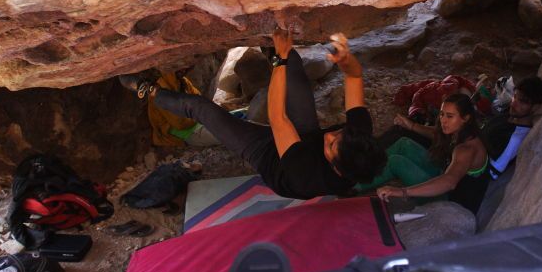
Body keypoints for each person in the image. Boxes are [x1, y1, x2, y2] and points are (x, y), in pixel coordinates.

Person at [119, 29, 386, 199]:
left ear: (337, 170)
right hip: (305, 139)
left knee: (202, 109)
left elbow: (277, 115)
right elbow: (355, 77)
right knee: (295, 73)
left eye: (332, 145)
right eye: (337, 134)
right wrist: (347, 62)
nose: (331, 135)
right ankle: (271, 44)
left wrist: (280, 60)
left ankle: (148, 91)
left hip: (270, 158)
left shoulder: (304, 174)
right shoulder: (357, 140)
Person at [372, 94, 490, 214]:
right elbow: (437, 133)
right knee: (404, 144)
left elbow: (449, 182)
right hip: (442, 176)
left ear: (466, 118)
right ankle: (361, 170)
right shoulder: (461, 130)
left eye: (449, 116)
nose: (443, 120)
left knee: (396, 162)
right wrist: (411, 126)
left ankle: (355, 186)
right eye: (442, 114)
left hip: (450, 204)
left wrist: (402, 192)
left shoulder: (467, 149)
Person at [481, 76, 542, 179]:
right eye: (515, 96)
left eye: (522, 101)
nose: (513, 103)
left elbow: (493, 172)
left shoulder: (515, 139)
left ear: (535, 107)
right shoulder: (510, 116)